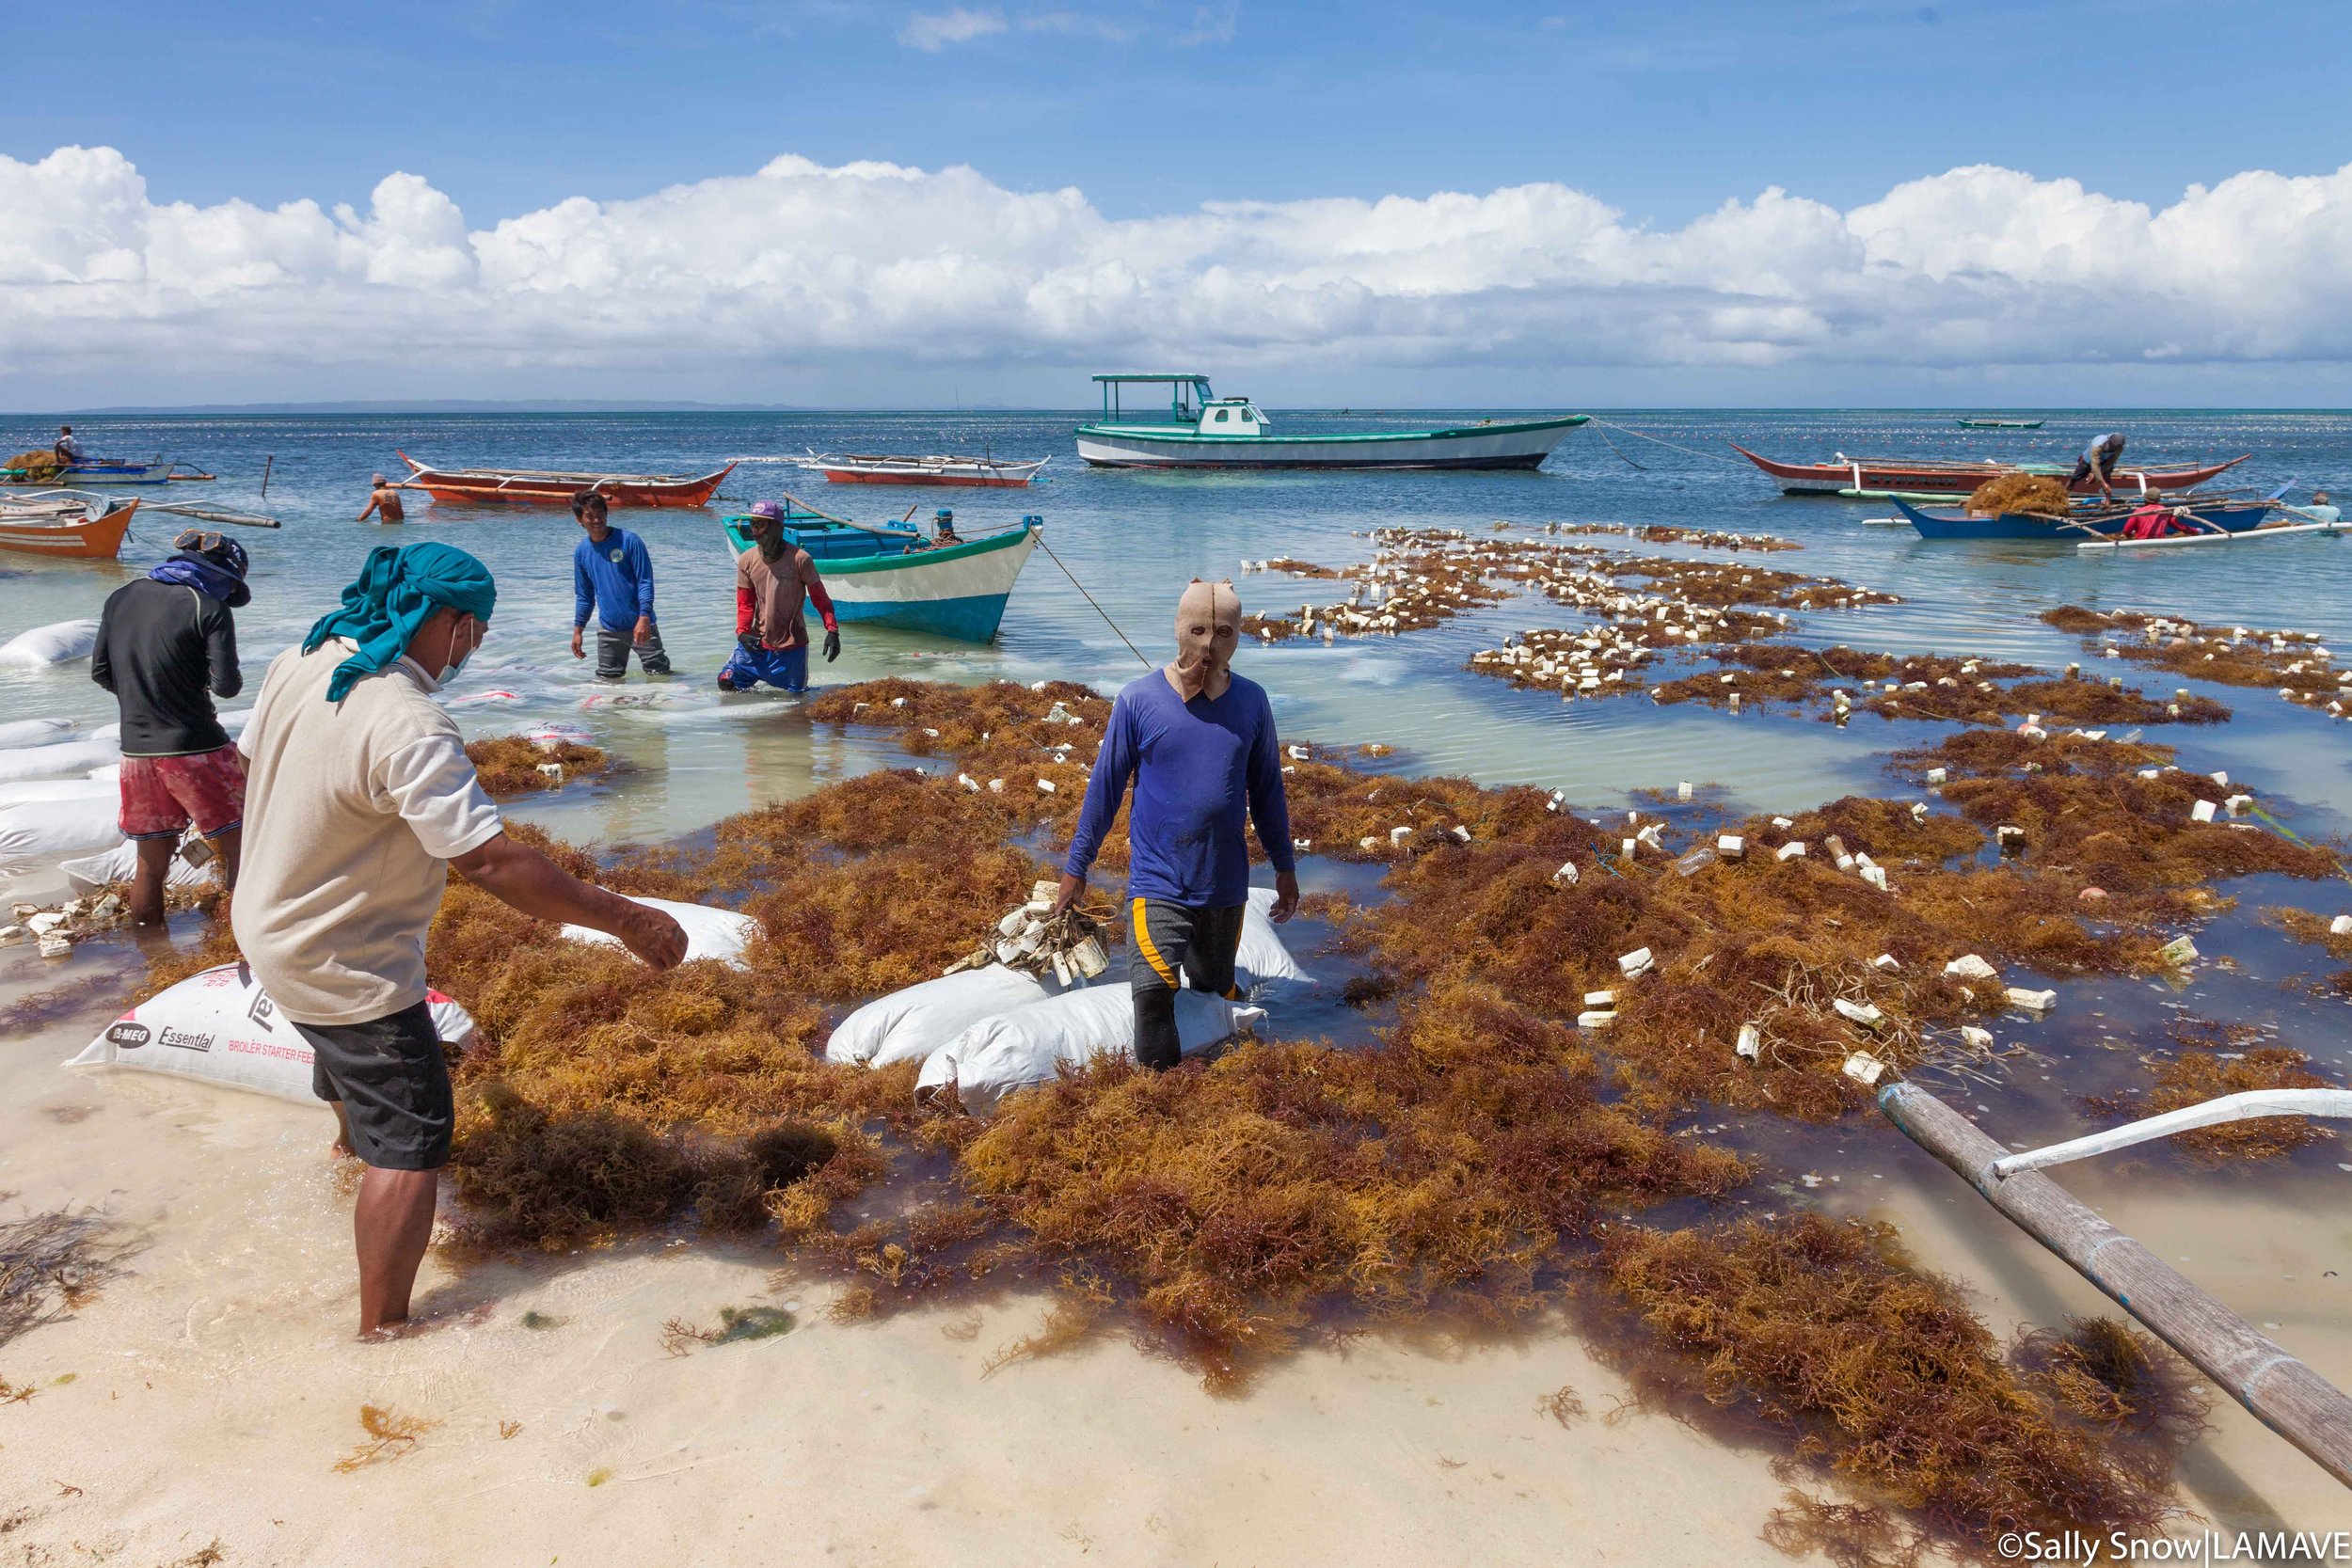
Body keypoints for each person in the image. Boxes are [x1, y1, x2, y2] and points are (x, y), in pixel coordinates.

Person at [232, 542, 687, 1338]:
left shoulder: (304, 658)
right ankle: (383, 1326)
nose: (473, 646)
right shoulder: (406, 718)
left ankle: (344, 1157)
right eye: (472, 629)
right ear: (441, 619)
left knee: (345, 1060)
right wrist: (628, 918)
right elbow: (488, 859)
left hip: (268, 923)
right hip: (343, 959)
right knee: (412, 1138)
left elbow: (253, 770)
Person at [1054, 579, 1297, 1071]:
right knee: (1153, 997)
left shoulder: (1252, 703)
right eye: (1198, 630)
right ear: (1179, 630)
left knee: (1211, 986)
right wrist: (1076, 868)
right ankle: (1166, 1099)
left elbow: (1268, 791)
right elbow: (1104, 789)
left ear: (1238, 636)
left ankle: (1224, 1000)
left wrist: (1285, 867)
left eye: (1223, 632)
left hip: (1223, 885)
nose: (1208, 645)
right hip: (1156, 882)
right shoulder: (1138, 700)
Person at [89, 530, 251, 926]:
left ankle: (151, 952)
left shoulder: (121, 597)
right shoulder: (207, 607)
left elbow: (100, 672)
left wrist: (143, 700)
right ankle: (239, 942)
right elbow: (227, 688)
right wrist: (187, 693)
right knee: (241, 846)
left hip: (135, 752)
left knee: (150, 863)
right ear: (223, 576)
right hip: (198, 748)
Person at [719, 499, 838, 693]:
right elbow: (745, 603)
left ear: (777, 527)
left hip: (792, 647)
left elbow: (821, 600)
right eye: (753, 524)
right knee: (726, 684)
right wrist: (742, 633)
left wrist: (832, 630)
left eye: (760, 524)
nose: (755, 529)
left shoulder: (801, 559)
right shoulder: (747, 560)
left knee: (795, 701)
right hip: (756, 644)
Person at [569, 489, 672, 679]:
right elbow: (584, 596)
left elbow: (645, 581)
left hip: (641, 625)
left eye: (601, 514)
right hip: (609, 628)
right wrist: (578, 631)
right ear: (579, 520)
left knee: (660, 677)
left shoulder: (629, 541)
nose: (597, 520)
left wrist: (644, 618)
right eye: (590, 516)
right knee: (608, 683)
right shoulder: (581, 552)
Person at [2071, 433, 2128, 501]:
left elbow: (2110, 462)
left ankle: (2108, 501)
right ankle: (2063, 496)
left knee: (2107, 479)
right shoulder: (2097, 446)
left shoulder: (2120, 448)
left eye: (2117, 448)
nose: (2114, 449)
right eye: (2114, 446)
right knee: (2073, 479)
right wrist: (2101, 481)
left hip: (2105, 461)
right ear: (2109, 441)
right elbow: (2095, 465)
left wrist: (2100, 477)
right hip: (2088, 460)